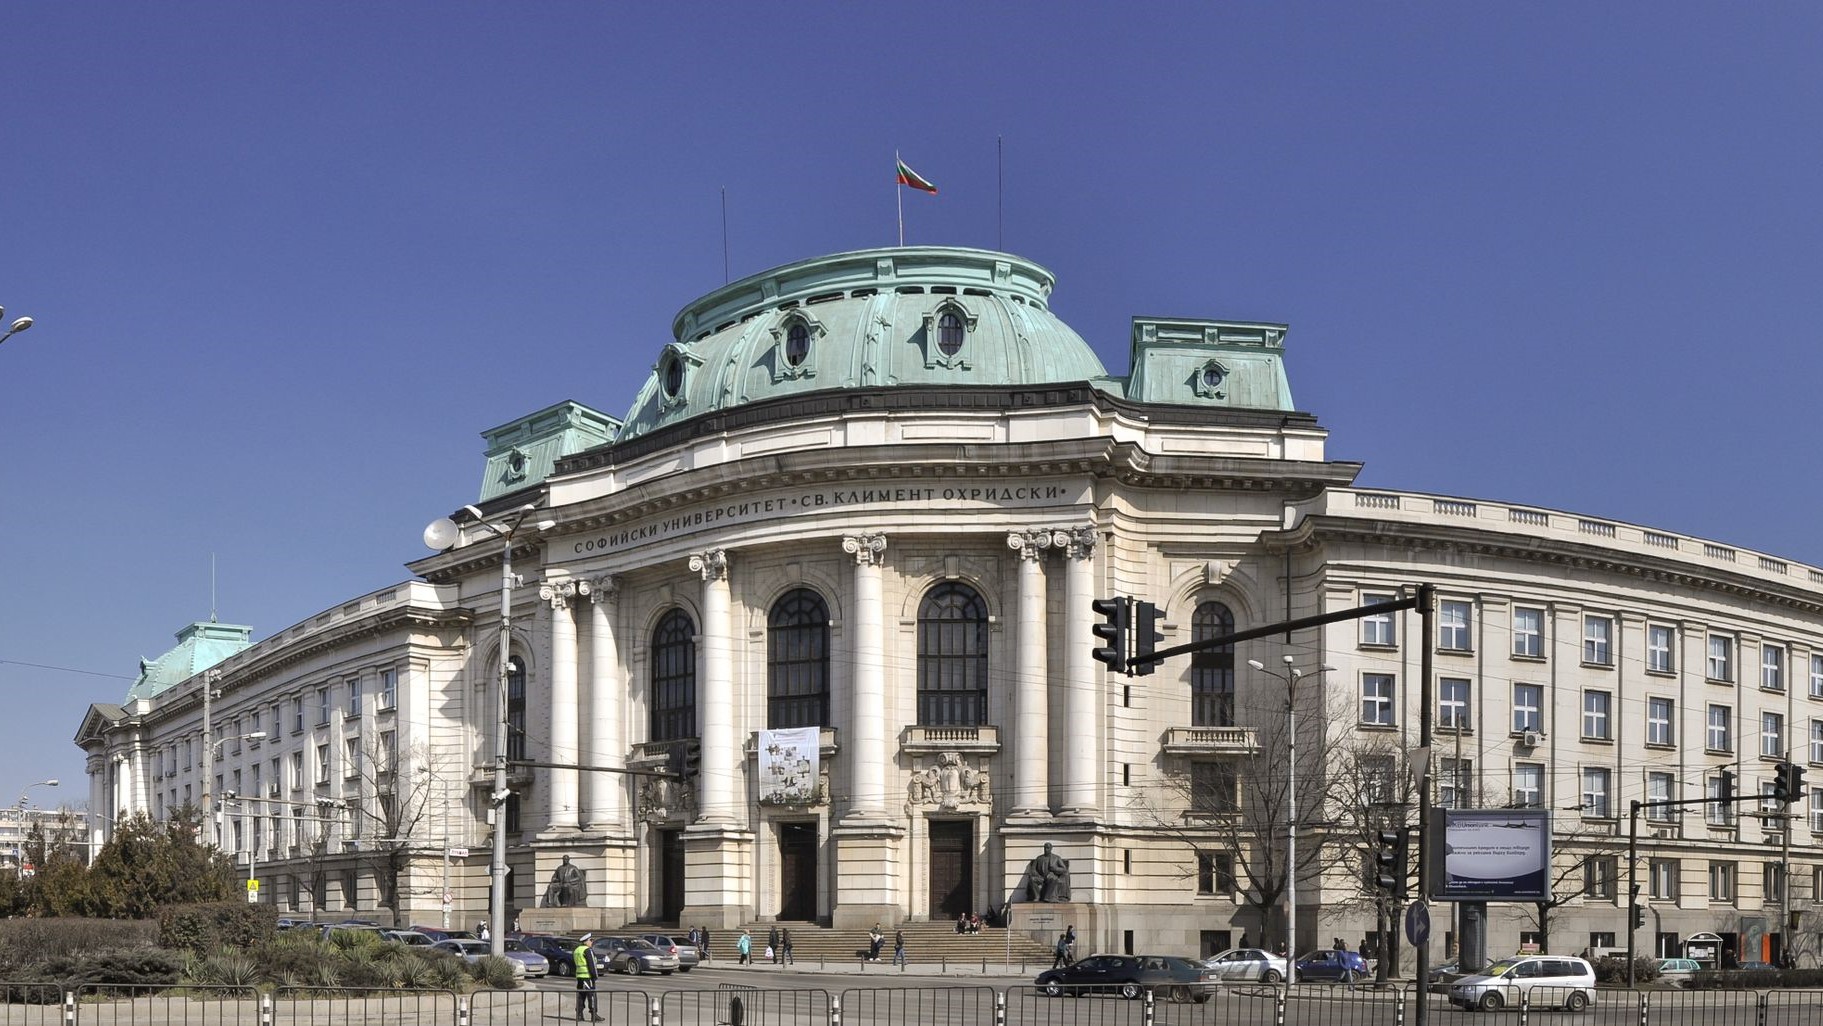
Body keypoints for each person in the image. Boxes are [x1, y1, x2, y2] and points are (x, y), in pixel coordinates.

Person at [573, 933, 602, 1022]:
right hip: (588, 977)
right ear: (586, 942)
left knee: (581, 996)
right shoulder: (588, 950)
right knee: (591, 995)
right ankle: (594, 1015)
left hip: (580, 977)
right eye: (591, 940)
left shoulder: (577, 950)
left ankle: (579, 1015)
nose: (592, 942)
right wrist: (595, 976)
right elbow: (591, 965)